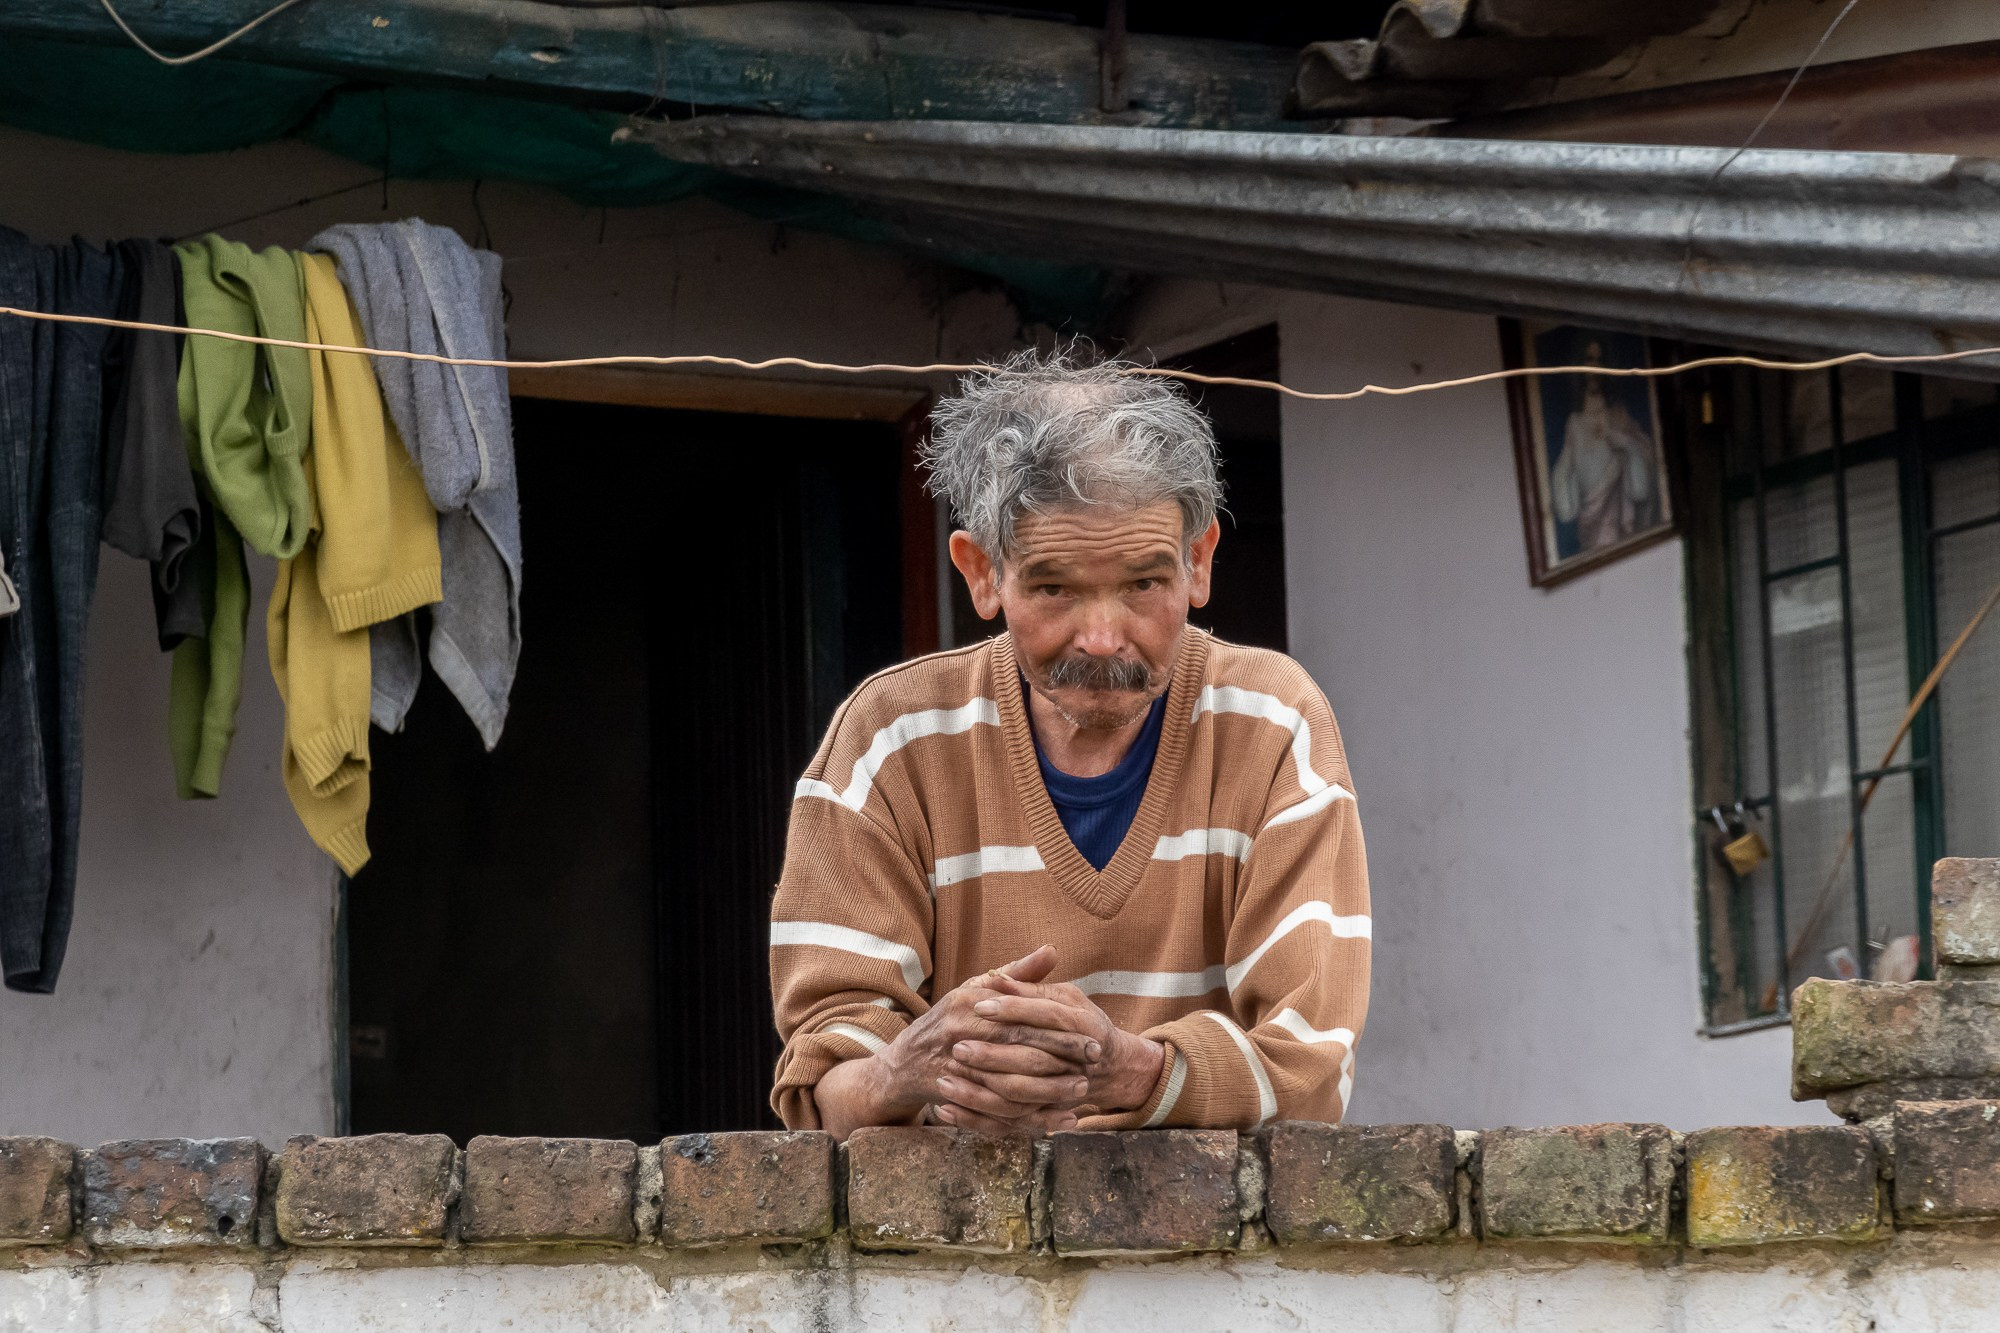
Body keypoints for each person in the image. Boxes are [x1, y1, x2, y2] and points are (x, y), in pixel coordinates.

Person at [767, 351, 1370, 1137]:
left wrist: (1131, 1068)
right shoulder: (890, 740)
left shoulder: (1273, 722)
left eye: (1145, 584)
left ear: (1199, 561)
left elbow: (1312, 1067)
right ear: (982, 573)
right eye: (1053, 587)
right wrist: (908, 1066)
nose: (1101, 635)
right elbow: (820, 1090)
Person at [1548, 368, 1659, 554]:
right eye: (1590, 360)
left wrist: (1626, 444)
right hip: (1590, 523)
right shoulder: (1575, 423)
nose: (1593, 370)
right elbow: (1564, 480)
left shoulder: (1618, 417)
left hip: (1616, 520)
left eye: (1599, 361)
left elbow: (1641, 490)